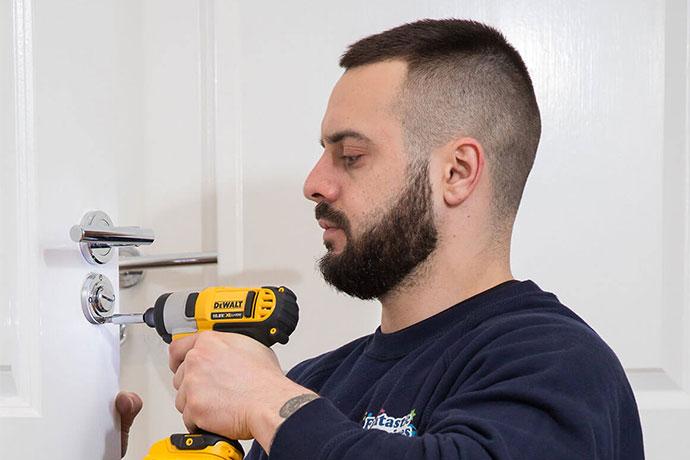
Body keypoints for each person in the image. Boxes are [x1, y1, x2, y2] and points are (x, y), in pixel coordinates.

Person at [119, 18, 644, 459]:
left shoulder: (558, 363)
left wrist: (264, 398)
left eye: (350, 156)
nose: (315, 183)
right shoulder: (319, 382)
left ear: (457, 172)